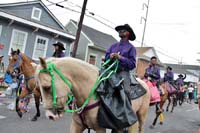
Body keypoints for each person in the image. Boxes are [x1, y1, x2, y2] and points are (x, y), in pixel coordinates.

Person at [105, 24, 136, 96]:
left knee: (126, 91)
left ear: (128, 33)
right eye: (120, 30)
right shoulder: (113, 46)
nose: (120, 31)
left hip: (123, 72)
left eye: (123, 30)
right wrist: (110, 56)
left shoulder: (131, 48)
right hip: (110, 71)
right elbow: (106, 57)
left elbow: (132, 64)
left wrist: (120, 58)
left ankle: (127, 106)